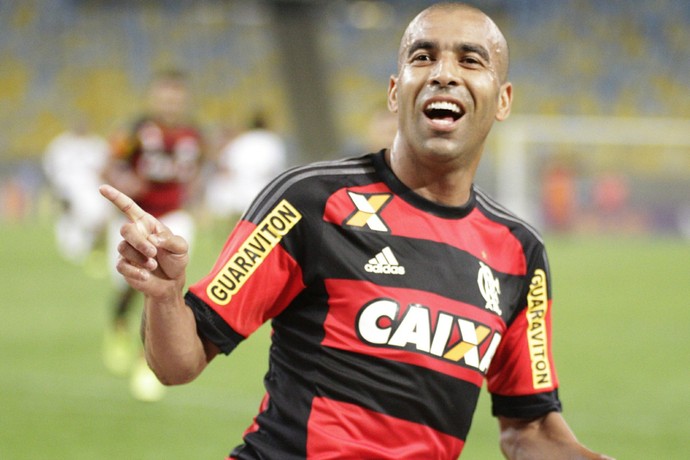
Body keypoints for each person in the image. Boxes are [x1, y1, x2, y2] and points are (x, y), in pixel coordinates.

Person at [100, 3, 613, 458]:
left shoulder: (520, 254)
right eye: (423, 57)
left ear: (502, 100)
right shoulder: (310, 202)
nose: (444, 74)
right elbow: (179, 362)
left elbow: (531, 428)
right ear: (396, 92)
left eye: (470, 59)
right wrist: (166, 296)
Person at [102, 69, 205, 401]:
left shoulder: (194, 134)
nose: (170, 103)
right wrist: (124, 181)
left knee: (159, 284)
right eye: (164, 96)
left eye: (176, 97)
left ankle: (143, 358)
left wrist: (198, 199)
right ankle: (118, 322)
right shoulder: (135, 130)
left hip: (173, 218)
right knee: (126, 283)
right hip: (136, 216)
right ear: (154, 98)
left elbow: (199, 170)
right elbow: (110, 165)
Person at [43, 118, 111, 269]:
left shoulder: (97, 144)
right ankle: (69, 250)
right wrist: (57, 189)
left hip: (92, 190)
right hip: (67, 189)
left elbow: (106, 167)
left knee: (93, 218)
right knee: (69, 219)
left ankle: (84, 248)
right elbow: (51, 168)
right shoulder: (60, 144)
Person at [204, 111, 287, 223]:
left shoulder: (241, 141)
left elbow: (224, 167)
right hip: (264, 192)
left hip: (237, 193)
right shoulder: (271, 140)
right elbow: (277, 169)